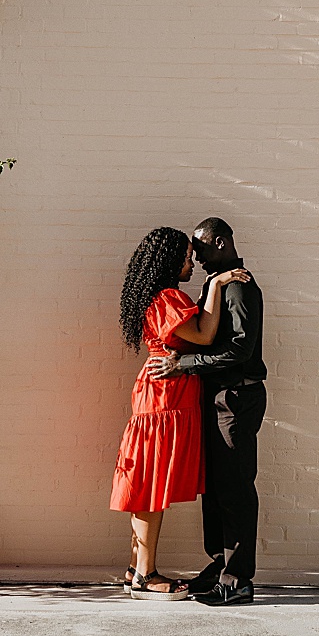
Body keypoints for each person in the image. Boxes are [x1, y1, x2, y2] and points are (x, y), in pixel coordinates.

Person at [109, 226, 250, 600]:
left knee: (147, 482)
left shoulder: (158, 296)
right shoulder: (169, 296)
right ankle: (145, 575)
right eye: (187, 256)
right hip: (165, 399)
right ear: (170, 261)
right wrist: (218, 285)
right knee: (151, 486)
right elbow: (204, 335)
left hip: (162, 395)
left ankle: (135, 568)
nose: (192, 262)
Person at [146, 217, 266, 606]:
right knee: (215, 490)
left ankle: (238, 580)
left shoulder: (238, 286)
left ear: (219, 242)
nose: (194, 259)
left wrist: (184, 364)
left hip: (236, 398)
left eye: (198, 250)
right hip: (216, 398)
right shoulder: (218, 284)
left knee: (234, 489)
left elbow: (240, 351)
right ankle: (219, 567)